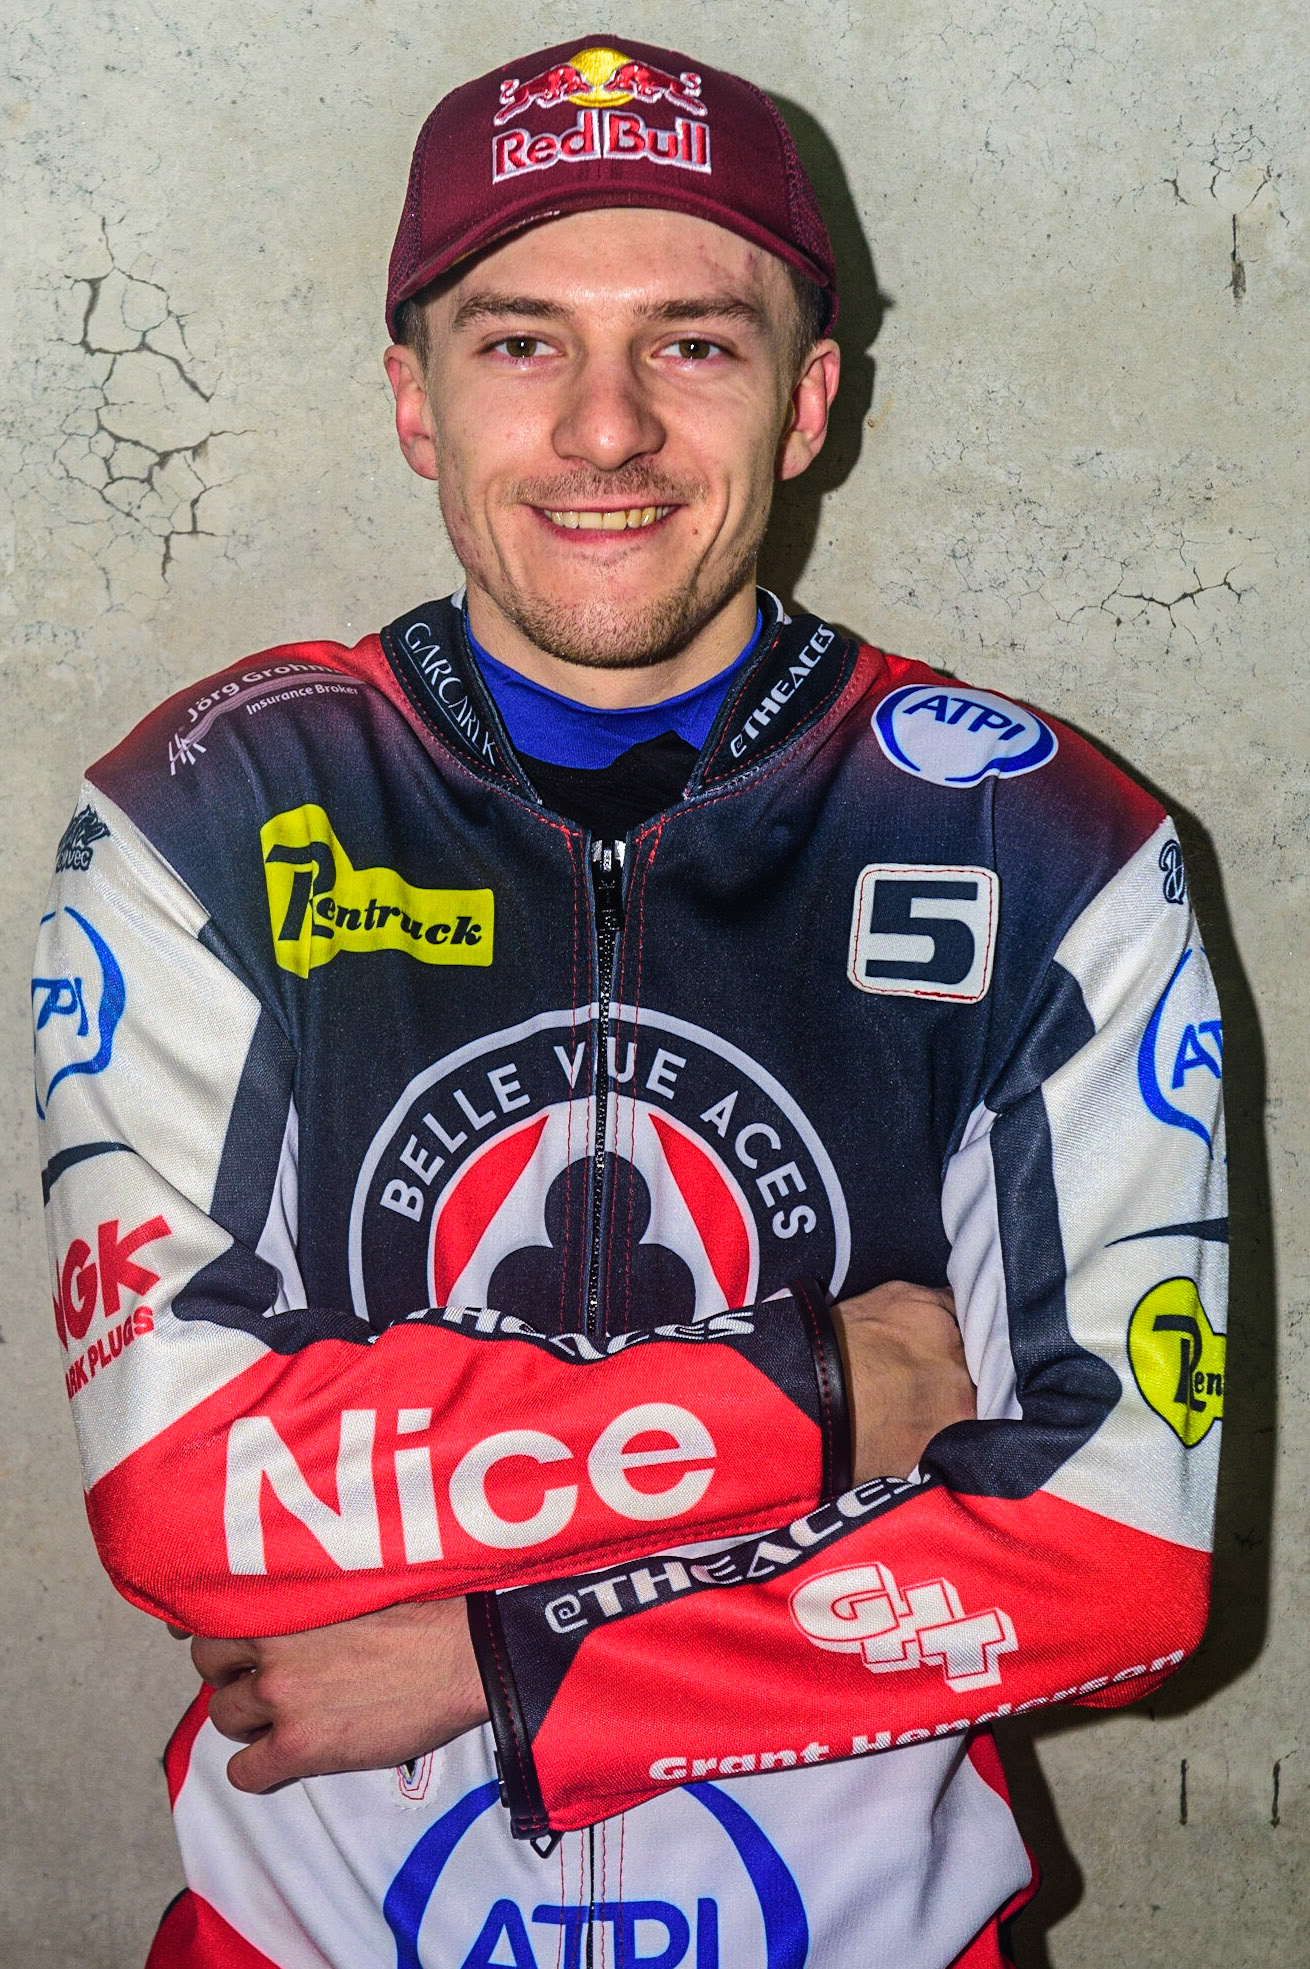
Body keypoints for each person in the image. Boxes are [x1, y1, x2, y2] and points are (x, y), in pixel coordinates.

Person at [32, 35, 1227, 1969]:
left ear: (808, 402)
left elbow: (1115, 1564)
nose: (607, 430)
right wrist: (817, 1395)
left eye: (693, 342)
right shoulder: (208, 810)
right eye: (520, 343)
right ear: (412, 401)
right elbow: (184, 1493)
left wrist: (521, 1668)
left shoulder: (1042, 839)